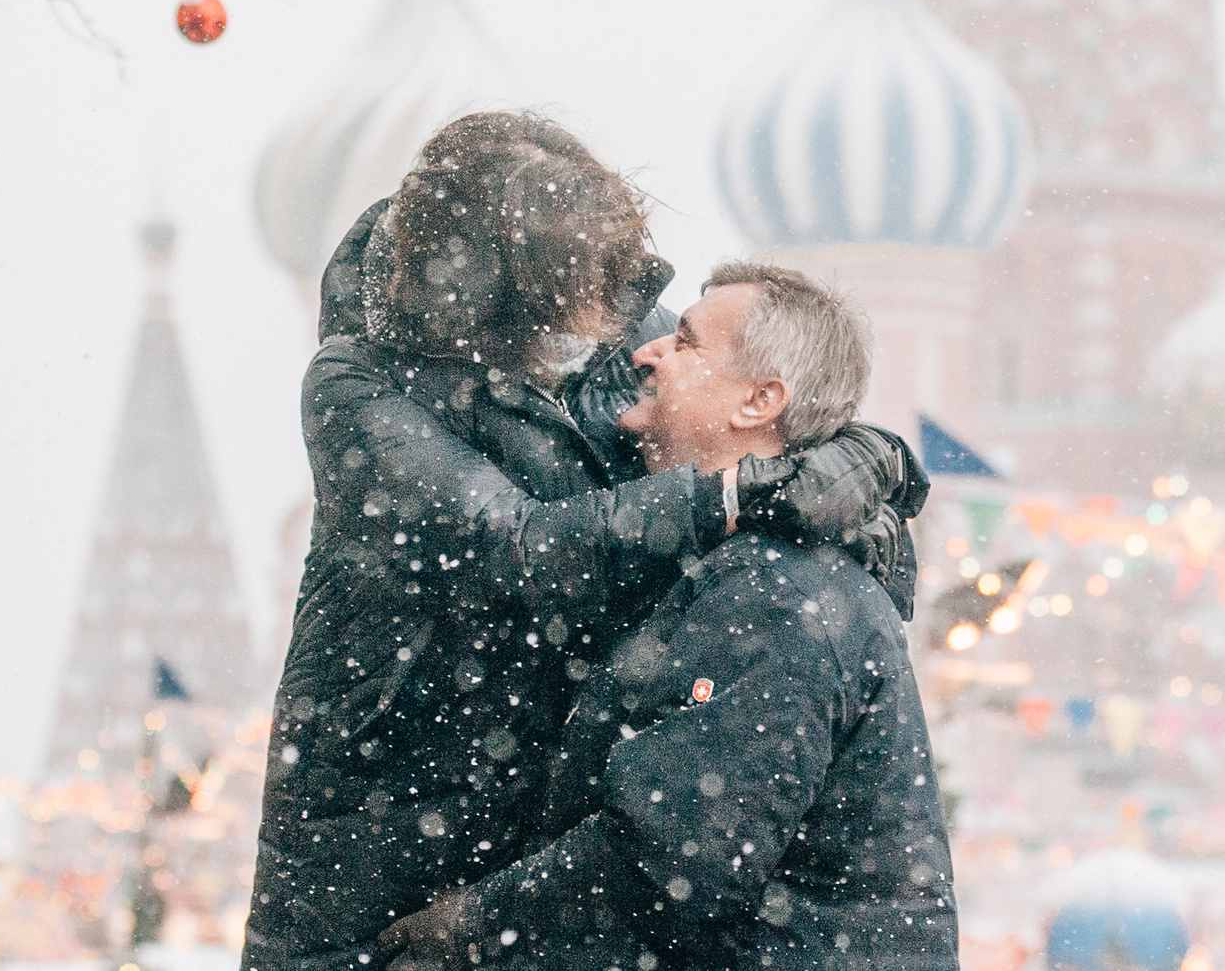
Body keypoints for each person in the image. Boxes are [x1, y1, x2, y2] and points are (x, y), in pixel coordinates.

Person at [243, 115, 924, 971]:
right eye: (577, 291)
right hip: (382, 839)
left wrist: (864, 467)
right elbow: (514, 551)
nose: (624, 332)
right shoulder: (361, 381)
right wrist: (736, 495)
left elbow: (766, 406)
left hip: (537, 851)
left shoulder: (614, 327)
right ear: (505, 292)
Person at [376, 260, 956, 971]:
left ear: (759, 400)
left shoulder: (777, 592)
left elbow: (671, 863)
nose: (646, 353)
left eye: (684, 342)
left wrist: (463, 931)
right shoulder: (741, 567)